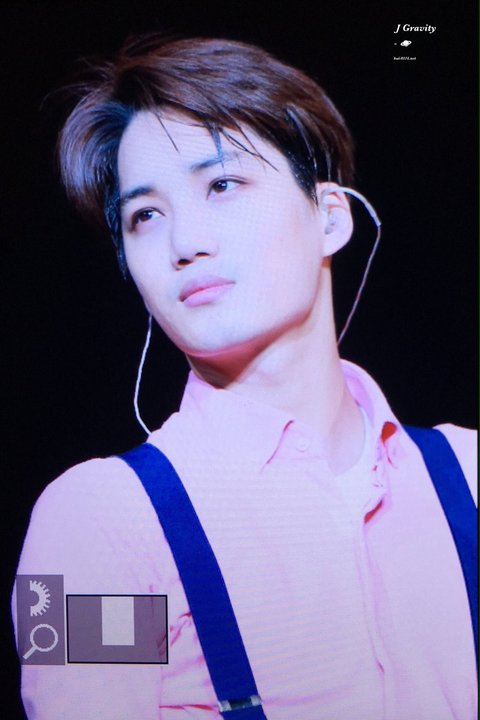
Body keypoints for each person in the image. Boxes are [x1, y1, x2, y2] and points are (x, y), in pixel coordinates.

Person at [12, 33, 477, 720]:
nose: (184, 243)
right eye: (145, 216)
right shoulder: (92, 521)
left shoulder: (468, 475)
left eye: (222, 185)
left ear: (330, 217)